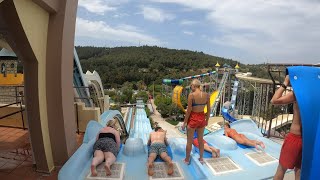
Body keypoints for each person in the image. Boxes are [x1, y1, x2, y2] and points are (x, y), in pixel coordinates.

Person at [271, 75, 302, 180]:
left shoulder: (298, 94)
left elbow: (274, 100)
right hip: (310, 139)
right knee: (299, 170)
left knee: (281, 169)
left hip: (295, 137)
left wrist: (285, 83)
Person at [181, 79, 210, 164]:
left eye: (191, 86)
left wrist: (184, 123)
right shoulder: (206, 95)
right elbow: (209, 110)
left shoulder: (191, 95)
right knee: (201, 140)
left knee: (189, 141)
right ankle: (201, 158)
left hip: (193, 118)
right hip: (202, 117)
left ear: (193, 86)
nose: (191, 88)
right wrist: (207, 120)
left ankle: (187, 160)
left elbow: (189, 110)